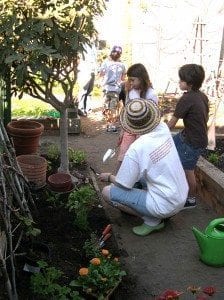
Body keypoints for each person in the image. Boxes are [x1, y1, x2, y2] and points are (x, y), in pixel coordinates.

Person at [99, 99, 189, 236]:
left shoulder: (137, 148)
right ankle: (158, 211)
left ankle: (152, 220)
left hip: (165, 204)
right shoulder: (163, 128)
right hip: (181, 194)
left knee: (107, 192)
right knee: (140, 176)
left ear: (131, 126)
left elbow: (124, 185)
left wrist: (109, 177)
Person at [167, 64, 209, 209]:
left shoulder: (186, 99)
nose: (179, 82)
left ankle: (190, 199)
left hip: (192, 142)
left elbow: (171, 123)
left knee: (188, 170)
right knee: (169, 149)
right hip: (189, 136)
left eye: (181, 80)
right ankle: (174, 185)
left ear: (189, 83)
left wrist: (157, 131)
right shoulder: (202, 96)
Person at [117, 63, 158, 169]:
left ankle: (136, 181)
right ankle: (120, 180)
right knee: (124, 155)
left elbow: (153, 116)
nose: (130, 82)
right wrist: (123, 130)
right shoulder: (131, 92)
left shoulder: (151, 94)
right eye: (129, 79)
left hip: (144, 130)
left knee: (139, 157)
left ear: (141, 78)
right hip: (130, 128)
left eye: (132, 80)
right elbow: (126, 111)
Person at [99, 45, 126, 133]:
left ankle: (108, 125)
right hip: (115, 90)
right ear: (120, 55)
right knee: (113, 108)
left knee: (106, 107)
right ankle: (112, 126)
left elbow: (101, 74)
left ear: (111, 53)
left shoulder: (105, 63)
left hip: (106, 89)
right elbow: (123, 78)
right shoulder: (122, 65)